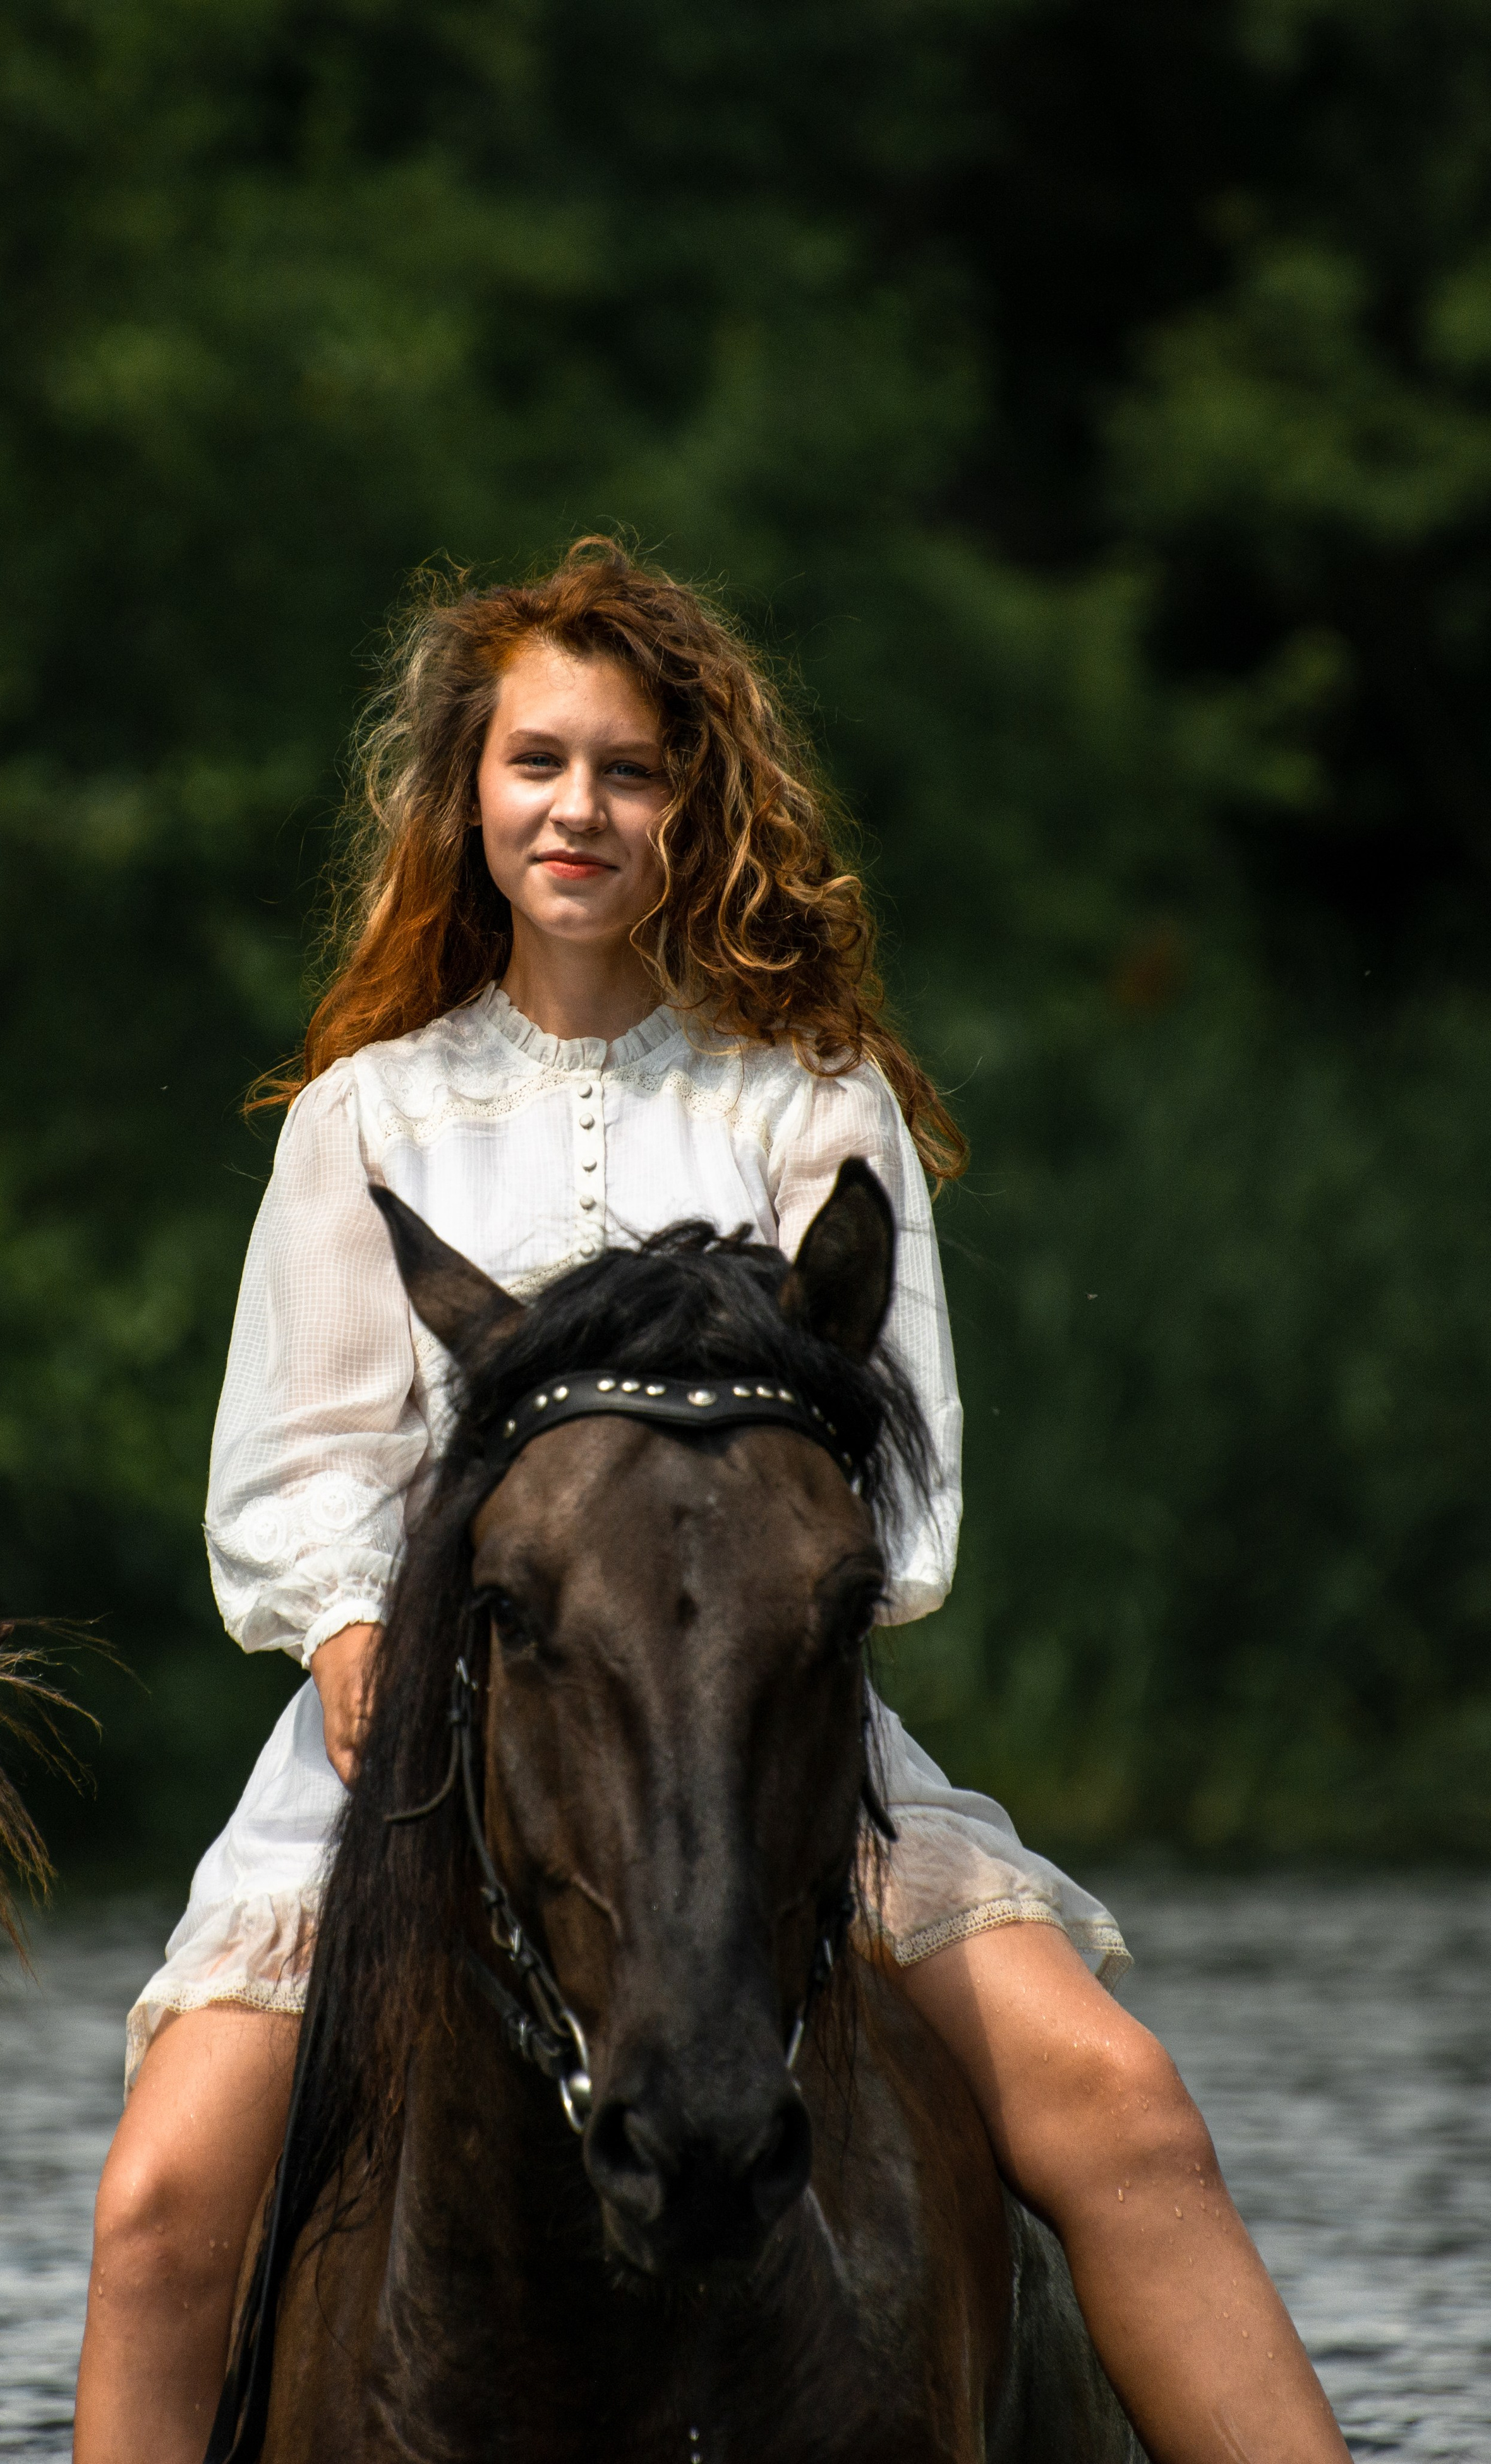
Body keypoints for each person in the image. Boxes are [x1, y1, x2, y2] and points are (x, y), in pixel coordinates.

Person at [73, 540, 1349, 2464]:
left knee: (1125, 2110)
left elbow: (899, 1497)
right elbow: (299, 1462)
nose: (578, 808)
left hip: (770, 1739)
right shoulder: (366, 1115)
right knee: (160, 2209)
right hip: (410, 1746)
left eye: (632, 768)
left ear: (701, 805)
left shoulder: (812, 1103)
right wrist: (352, 1631)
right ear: (468, 793)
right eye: (536, 762)